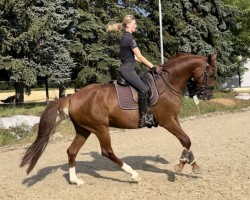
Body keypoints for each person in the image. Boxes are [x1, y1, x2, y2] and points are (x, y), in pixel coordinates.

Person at [108, 15, 163, 128]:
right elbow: (140, 56)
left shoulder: (126, 37)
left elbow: (136, 58)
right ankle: (144, 117)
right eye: (134, 23)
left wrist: (147, 66)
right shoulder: (129, 38)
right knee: (144, 89)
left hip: (128, 68)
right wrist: (153, 67)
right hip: (127, 70)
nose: (136, 25)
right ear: (128, 25)